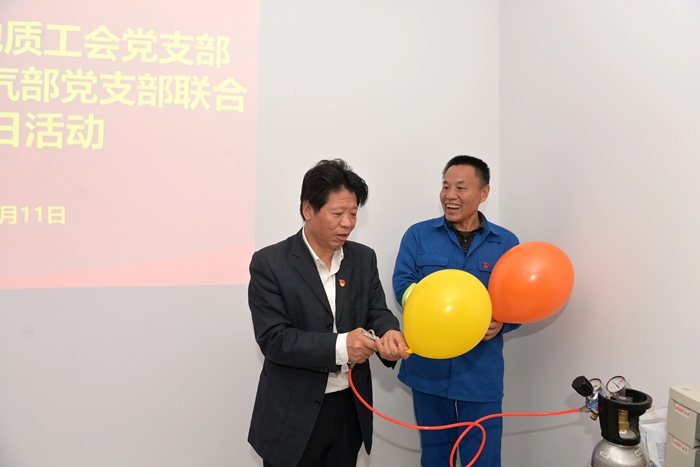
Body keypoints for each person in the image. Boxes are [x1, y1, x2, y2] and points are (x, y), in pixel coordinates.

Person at [248, 159, 410, 467]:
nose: (347, 223)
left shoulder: (363, 259)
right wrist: (342, 346)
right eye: (337, 214)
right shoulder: (270, 263)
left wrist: (389, 332)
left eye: (353, 213)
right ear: (308, 209)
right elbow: (274, 339)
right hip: (293, 414)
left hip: (349, 409)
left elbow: (377, 310)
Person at [392, 155, 520, 467]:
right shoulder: (418, 235)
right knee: (436, 458)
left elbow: (518, 299)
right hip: (429, 371)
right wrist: (427, 308)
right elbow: (402, 283)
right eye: (445, 186)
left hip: (481, 373)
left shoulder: (506, 243)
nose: (450, 195)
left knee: (484, 460)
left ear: (484, 193)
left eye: (461, 188)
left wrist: (503, 324)